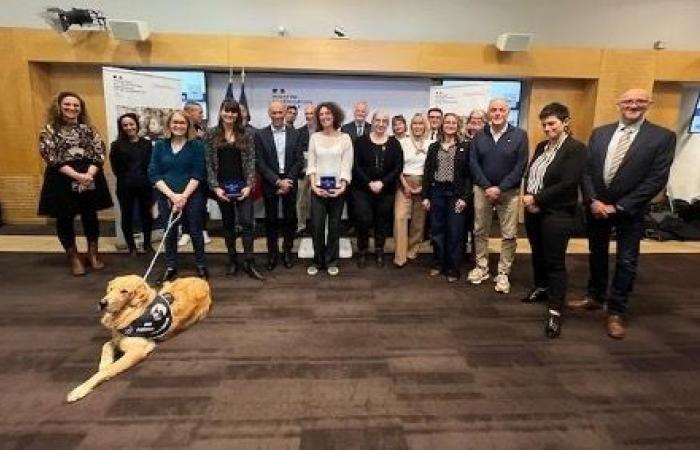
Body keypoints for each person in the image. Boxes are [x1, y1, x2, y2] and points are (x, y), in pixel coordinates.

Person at [569, 89, 676, 339]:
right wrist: (593, 200)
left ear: (649, 104)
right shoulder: (600, 133)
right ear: (618, 104)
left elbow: (656, 179)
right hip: (597, 207)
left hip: (631, 210)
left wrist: (620, 206)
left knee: (627, 260)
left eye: (640, 101)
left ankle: (616, 310)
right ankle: (594, 296)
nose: (633, 105)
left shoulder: (662, 137)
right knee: (597, 254)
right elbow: (587, 170)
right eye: (628, 101)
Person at [521, 103, 587, 339]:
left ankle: (555, 311)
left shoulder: (575, 149)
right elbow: (532, 174)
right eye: (544, 124)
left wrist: (537, 198)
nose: (547, 128)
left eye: (552, 123)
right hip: (534, 210)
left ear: (565, 122)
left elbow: (568, 183)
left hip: (557, 213)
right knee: (537, 253)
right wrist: (531, 200)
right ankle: (541, 287)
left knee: (555, 261)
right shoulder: (541, 146)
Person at [37, 91, 113, 276]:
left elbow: (99, 153)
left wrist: (88, 174)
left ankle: (93, 254)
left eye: (76, 105)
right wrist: (78, 176)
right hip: (61, 177)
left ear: (81, 108)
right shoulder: (49, 130)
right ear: (59, 107)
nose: (72, 108)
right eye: (67, 105)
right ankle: (74, 257)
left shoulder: (89, 129)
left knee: (90, 216)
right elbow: (51, 157)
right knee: (64, 218)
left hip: (90, 174)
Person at [468, 98, 528, 294]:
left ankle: (503, 272)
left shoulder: (519, 135)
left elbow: (521, 166)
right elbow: (473, 163)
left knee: (509, 234)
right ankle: (482, 268)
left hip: (508, 192)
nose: (497, 113)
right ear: (488, 113)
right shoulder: (479, 136)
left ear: (507, 112)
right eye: (493, 110)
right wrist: (487, 186)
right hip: (482, 190)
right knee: (480, 230)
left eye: (501, 110)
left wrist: (500, 188)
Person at [204, 99, 264, 280]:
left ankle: (249, 261)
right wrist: (215, 187)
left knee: (247, 223)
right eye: (226, 111)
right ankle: (232, 260)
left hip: (243, 187)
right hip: (222, 188)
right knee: (228, 225)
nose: (229, 115)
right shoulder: (210, 134)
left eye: (233, 112)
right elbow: (208, 164)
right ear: (221, 112)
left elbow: (252, 162)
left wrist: (249, 186)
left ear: (238, 114)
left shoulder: (246, 134)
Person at [148, 110, 208, 281]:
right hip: (166, 195)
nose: (178, 126)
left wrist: (183, 196)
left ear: (188, 125)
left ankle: (201, 264)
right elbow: (154, 173)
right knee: (170, 232)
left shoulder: (196, 145)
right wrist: (173, 196)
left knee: (196, 231)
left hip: (192, 195)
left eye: (182, 123)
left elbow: (198, 173)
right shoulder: (160, 145)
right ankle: (171, 265)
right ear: (169, 124)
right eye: (175, 122)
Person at [421, 113, 471, 282]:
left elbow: (468, 175)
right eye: (447, 122)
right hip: (437, 192)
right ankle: (438, 263)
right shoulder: (434, 147)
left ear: (458, 126)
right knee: (437, 230)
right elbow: (427, 172)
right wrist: (425, 196)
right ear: (442, 125)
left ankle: (452, 268)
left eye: (453, 122)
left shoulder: (465, 146)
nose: (450, 125)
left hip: (455, 194)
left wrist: (464, 197)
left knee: (455, 231)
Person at [255, 100, 305, 271]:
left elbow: (299, 161)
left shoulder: (296, 134)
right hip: (271, 182)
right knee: (271, 220)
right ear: (269, 114)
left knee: (290, 219)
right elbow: (259, 162)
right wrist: (277, 181)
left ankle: (287, 252)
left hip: (290, 181)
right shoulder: (260, 135)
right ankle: (272, 253)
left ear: (286, 113)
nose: (277, 116)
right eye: (274, 113)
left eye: (280, 113)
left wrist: (287, 181)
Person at [306, 102, 353, 276]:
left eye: (328, 113)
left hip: (337, 190)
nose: (325, 117)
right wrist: (313, 186)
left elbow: (347, 165)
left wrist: (342, 187)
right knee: (317, 226)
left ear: (335, 116)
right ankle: (318, 261)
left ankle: (332, 260)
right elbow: (311, 164)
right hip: (318, 189)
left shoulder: (345, 138)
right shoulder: (315, 137)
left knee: (334, 227)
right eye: (322, 114)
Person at [352, 110, 403, 268]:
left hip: (385, 189)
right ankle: (362, 251)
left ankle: (379, 250)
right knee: (363, 220)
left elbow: (398, 167)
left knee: (382, 221)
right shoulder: (360, 141)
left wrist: (383, 183)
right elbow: (355, 165)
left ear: (388, 124)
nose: (381, 124)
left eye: (384, 121)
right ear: (372, 122)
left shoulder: (394, 143)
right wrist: (369, 183)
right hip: (362, 189)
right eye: (378, 120)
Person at [109, 112, 153, 255]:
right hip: (125, 186)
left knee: (146, 215)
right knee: (126, 216)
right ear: (121, 127)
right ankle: (132, 247)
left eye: (131, 124)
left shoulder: (147, 144)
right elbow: (115, 167)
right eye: (125, 125)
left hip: (145, 185)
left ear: (137, 125)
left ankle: (147, 244)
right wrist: (127, 178)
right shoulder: (116, 145)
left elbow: (150, 165)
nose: (129, 127)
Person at [393, 113, 429, 267]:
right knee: (400, 218)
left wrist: (423, 187)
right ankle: (400, 256)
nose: (417, 126)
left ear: (425, 126)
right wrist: (405, 186)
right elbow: (397, 167)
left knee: (418, 221)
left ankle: (412, 249)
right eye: (415, 123)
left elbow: (432, 169)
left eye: (421, 123)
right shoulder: (402, 142)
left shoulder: (431, 143)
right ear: (410, 126)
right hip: (404, 183)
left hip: (423, 183)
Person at [180, 101, 211, 246]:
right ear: (189, 113)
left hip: (201, 173)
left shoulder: (203, 130)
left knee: (201, 203)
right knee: (184, 203)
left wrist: (202, 138)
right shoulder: (180, 131)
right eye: (199, 112)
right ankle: (186, 232)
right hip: (184, 173)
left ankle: (203, 229)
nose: (202, 115)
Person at [296, 104, 316, 234]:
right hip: (303, 171)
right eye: (307, 114)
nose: (309, 116)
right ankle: (301, 225)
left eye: (311, 113)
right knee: (301, 200)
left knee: (317, 201)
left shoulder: (322, 130)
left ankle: (316, 225)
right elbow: (297, 152)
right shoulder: (299, 131)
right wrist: (302, 167)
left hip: (319, 172)